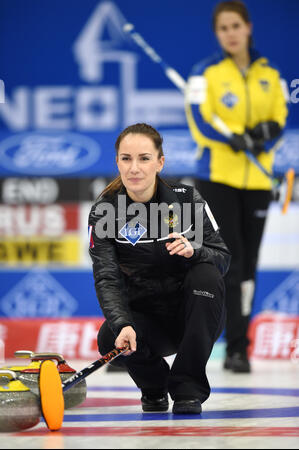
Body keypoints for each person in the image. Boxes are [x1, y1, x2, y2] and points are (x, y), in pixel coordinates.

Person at [88, 122, 230, 414]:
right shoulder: (105, 211)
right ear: (117, 162)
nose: (134, 168)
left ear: (160, 162)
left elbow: (223, 258)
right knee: (107, 337)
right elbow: (106, 278)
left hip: (194, 315)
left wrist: (195, 251)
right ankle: (154, 387)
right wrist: (123, 324)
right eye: (126, 158)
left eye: (144, 158)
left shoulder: (188, 200)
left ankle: (188, 389)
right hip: (147, 324)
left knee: (206, 272)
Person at [185, 1, 288, 372]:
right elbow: (199, 120)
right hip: (217, 179)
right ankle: (228, 344)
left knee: (249, 265)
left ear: (247, 27)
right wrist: (232, 140)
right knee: (230, 260)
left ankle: (240, 347)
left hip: (258, 180)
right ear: (218, 34)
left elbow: (279, 116)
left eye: (235, 26)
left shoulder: (271, 73)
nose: (230, 33)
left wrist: (264, 134)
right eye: (223, 28)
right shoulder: (204, 73)